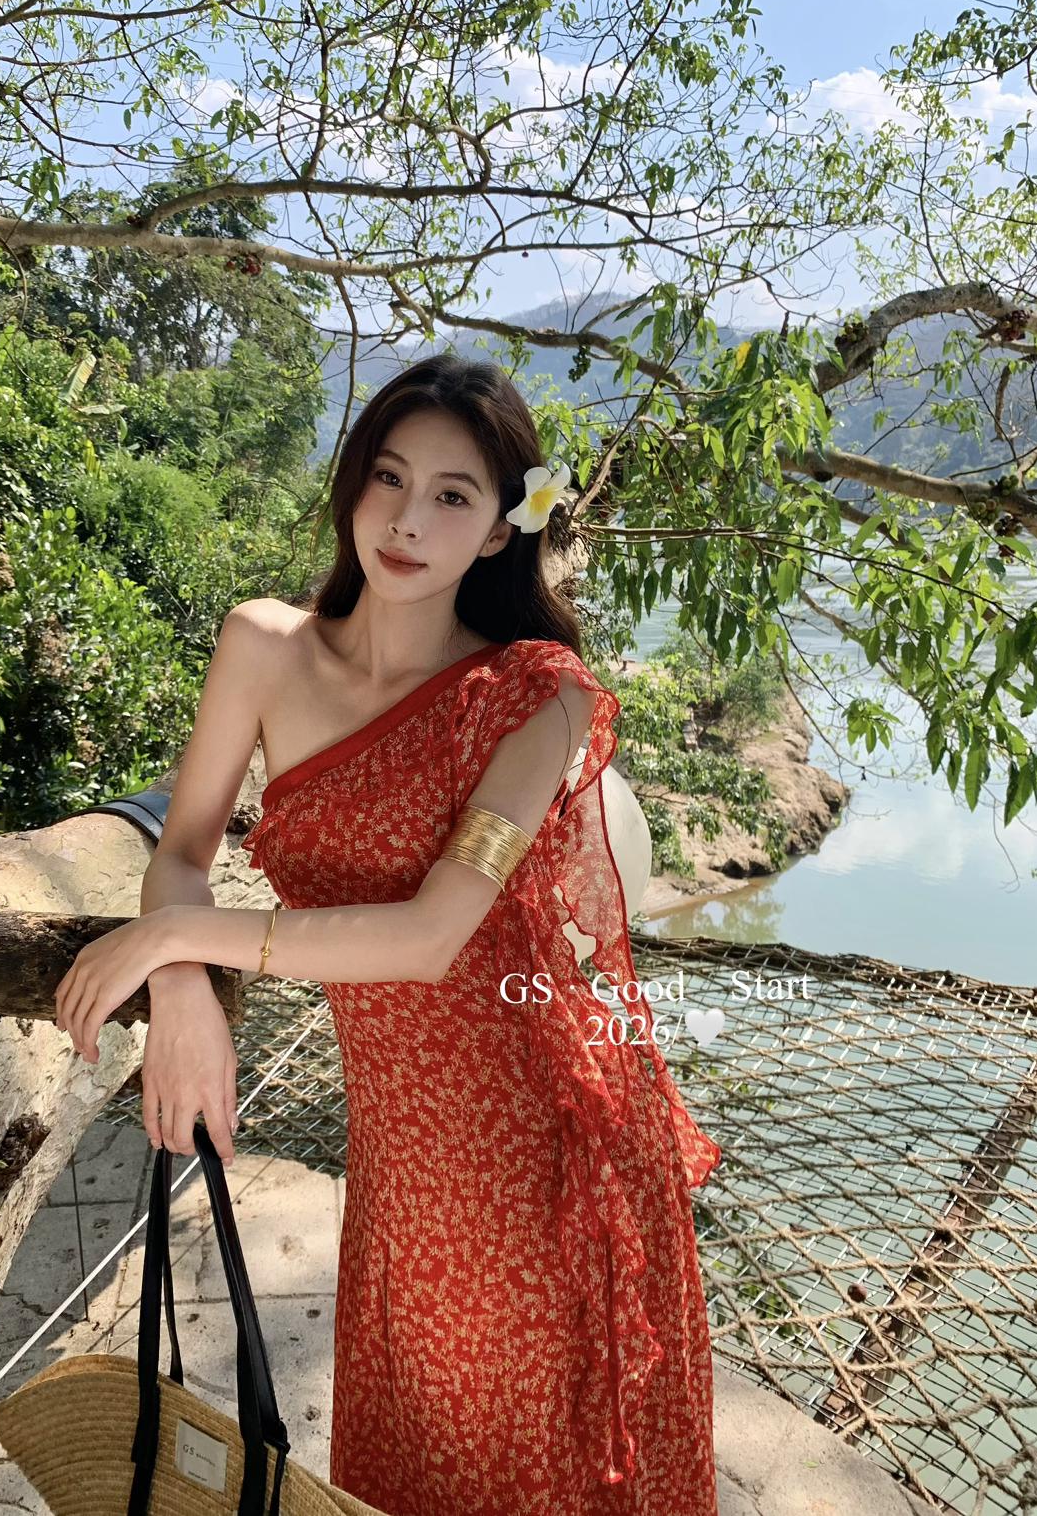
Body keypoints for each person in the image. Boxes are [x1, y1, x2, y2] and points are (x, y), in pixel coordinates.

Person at [55, 353, 723, 1516]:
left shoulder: (538, 696)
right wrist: (184, 990)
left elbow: (432, 933)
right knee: (413, 1458)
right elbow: (182, 849)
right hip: (403, 1150)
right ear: (354, 484)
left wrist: (165, 944)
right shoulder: (264, 647)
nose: (407, 520)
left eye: (452, 496)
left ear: (501, 529)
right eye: (388, 478)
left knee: (533, 1470)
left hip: (544, 1137)